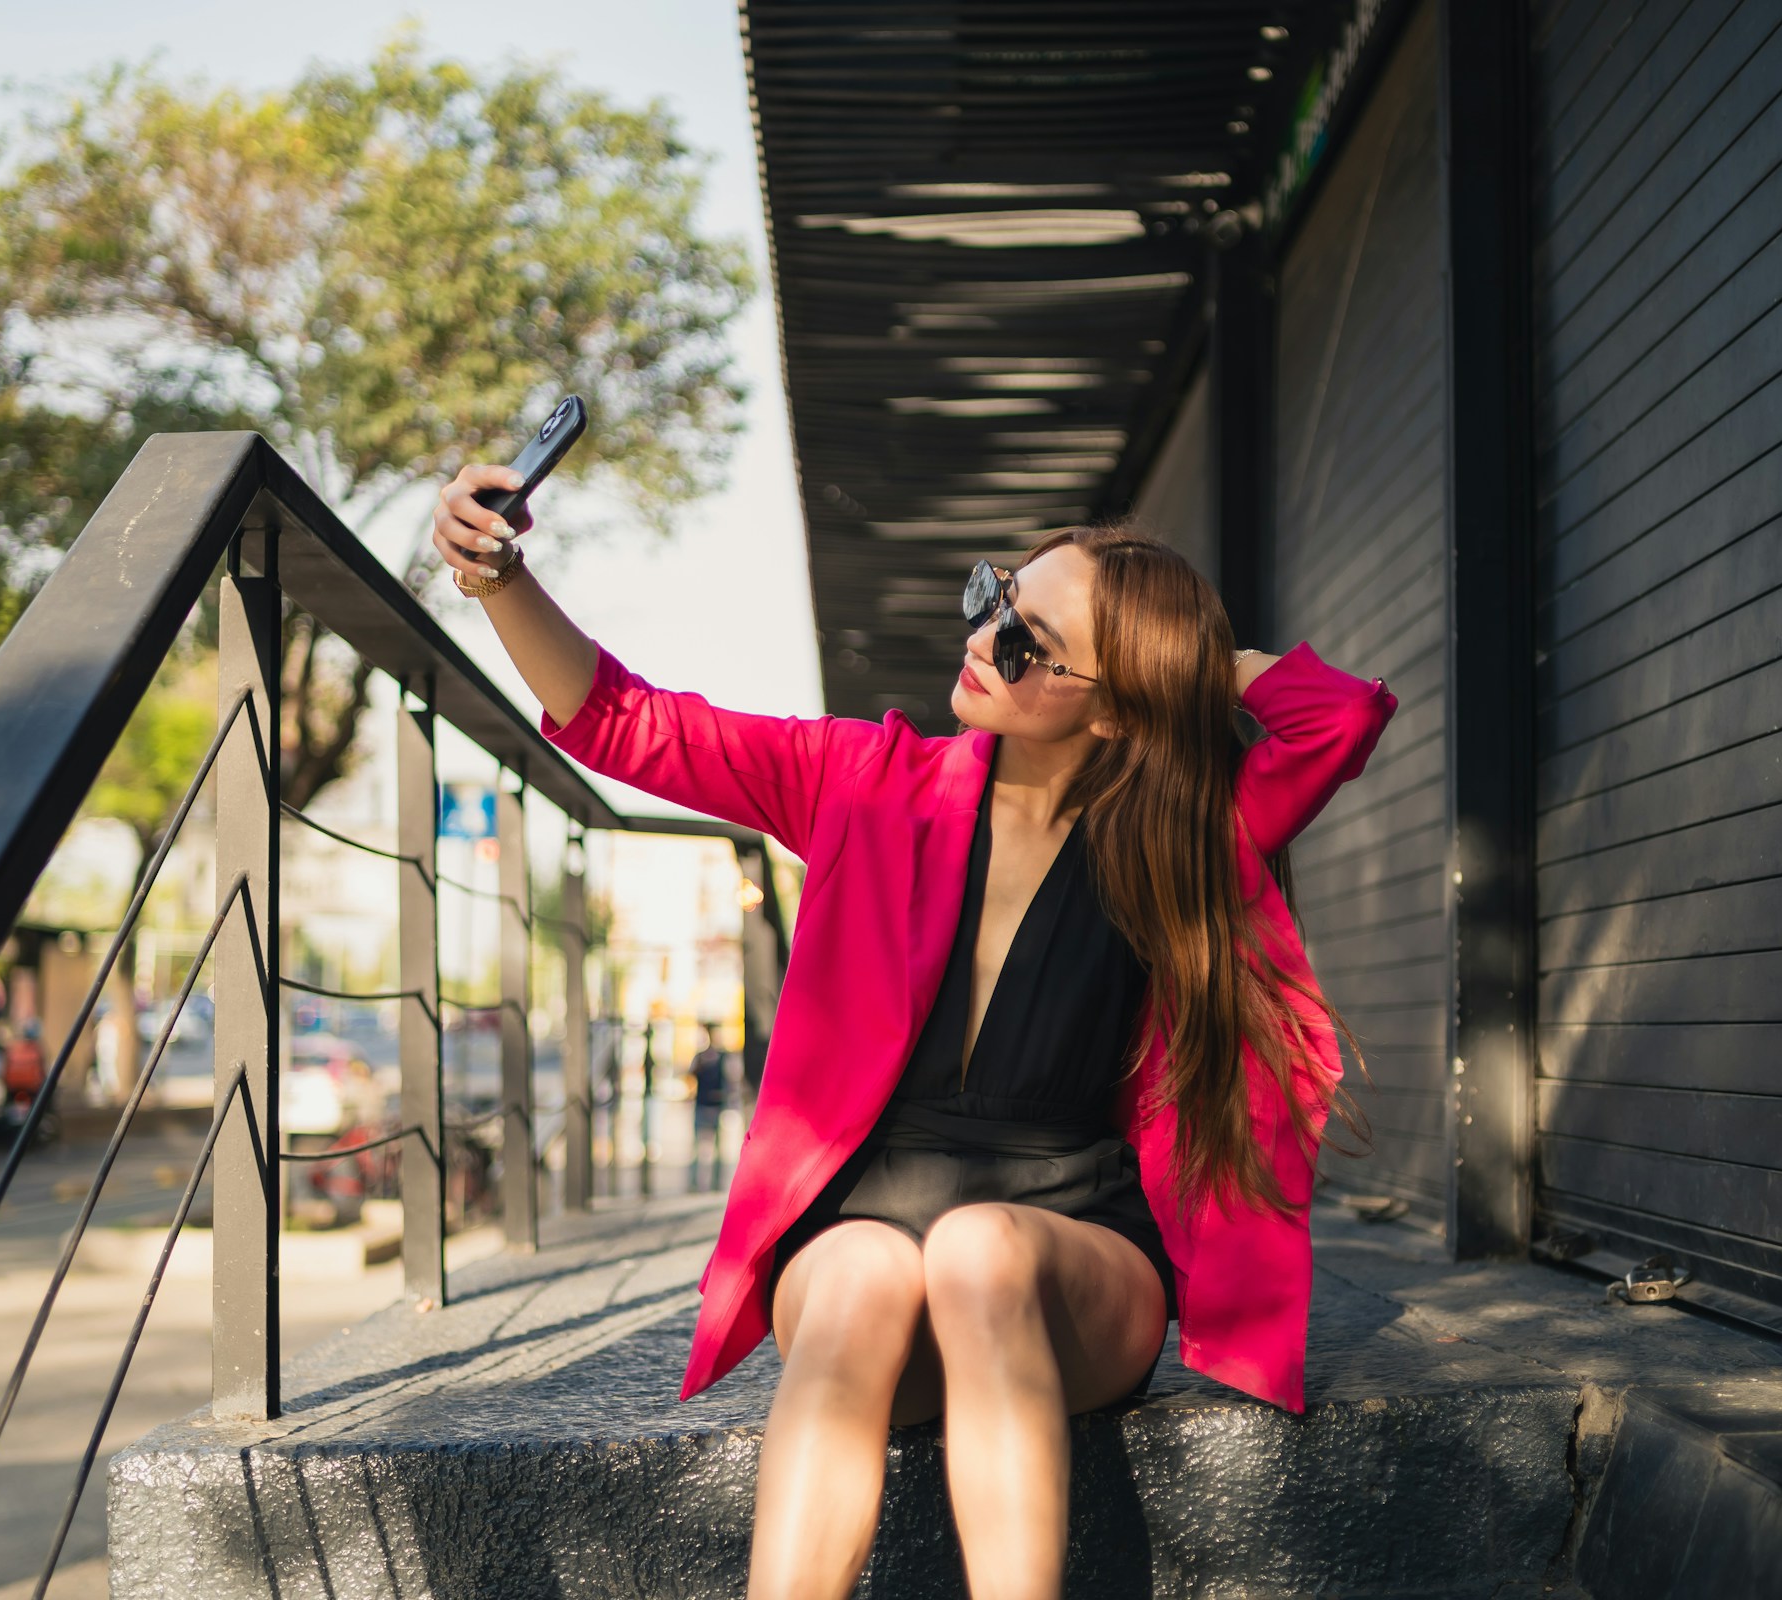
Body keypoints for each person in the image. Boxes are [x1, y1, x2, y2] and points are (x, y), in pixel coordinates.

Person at [431, 463, 1396, 1600]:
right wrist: (499, 578)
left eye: (1030, 643)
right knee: (856, 1275)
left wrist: (1189, 664)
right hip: (871, 1228)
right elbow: (631, 724)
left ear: (1119, 701)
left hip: (1071, 1256)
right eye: (995, 598)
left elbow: (1337, 717)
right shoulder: (869, 781)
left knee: (982, 1250)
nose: (985, 640)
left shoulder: (1181, 830)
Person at [687, 1024, 729, 1192]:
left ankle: (716, 1182)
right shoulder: (700, 1057)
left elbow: (729, 1079)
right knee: (697, 1147)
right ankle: (695, 1183)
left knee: (718, 1148)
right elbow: (691, 1074)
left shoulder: (722, 1057)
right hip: (702, 1104)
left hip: (716, 1105)